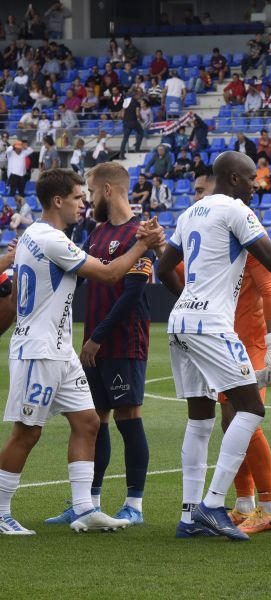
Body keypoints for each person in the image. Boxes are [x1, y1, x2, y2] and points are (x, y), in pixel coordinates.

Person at [154, 152, 271, 540]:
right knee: (251, 408)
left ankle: (190, 516)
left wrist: (188, 299)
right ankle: (211, 506)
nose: (257, 184)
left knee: (200, 419)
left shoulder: (192, 212)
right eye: (251, 177)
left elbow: (162, 269)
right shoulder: (237, 211)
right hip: (211, 323)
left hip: (181, 321)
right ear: (234, 179)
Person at [0, 168, 165, 536]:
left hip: (60, 350)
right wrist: (142, 243)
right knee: (27, 432)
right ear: (58, 201)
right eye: (77, 197)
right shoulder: (50, 239)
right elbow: (108, 274)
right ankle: (0, 510)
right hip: (38, 351)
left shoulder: (34, 236)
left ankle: (84, 508)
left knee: (89, 422)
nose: (83, 204)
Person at [44, 164, 154, 527]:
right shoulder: (97, 231)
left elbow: (130, 297)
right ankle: (88, 504)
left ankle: (134, 506)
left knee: (128, 417)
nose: (88, 201)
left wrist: (96, 337)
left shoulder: (142, 235)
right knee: (97, 420)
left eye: (90, 192)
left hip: (123, 342)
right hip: (95, 342)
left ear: (107, 190)